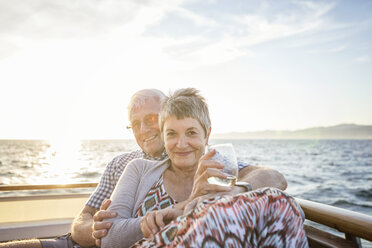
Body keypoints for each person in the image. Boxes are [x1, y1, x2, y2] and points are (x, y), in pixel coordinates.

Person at [0, 88, 287, 248]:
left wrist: (234, 191)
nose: (144, 130)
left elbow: (269, 177)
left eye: (151, 120)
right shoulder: (125, 164)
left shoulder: (206, 162)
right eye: (135, 124)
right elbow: (84, 221)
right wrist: (93, 231)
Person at [101, 88, 307, 248]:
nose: (181, 144)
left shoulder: (220, 170)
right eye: (172, 133)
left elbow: (275, 178)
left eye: (191, 132)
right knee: (214, 214)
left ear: (207, 135)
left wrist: (237, 191)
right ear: (163, 136)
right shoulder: (139, 169)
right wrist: (181, 210)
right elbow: (109, 239)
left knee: (282, 202)